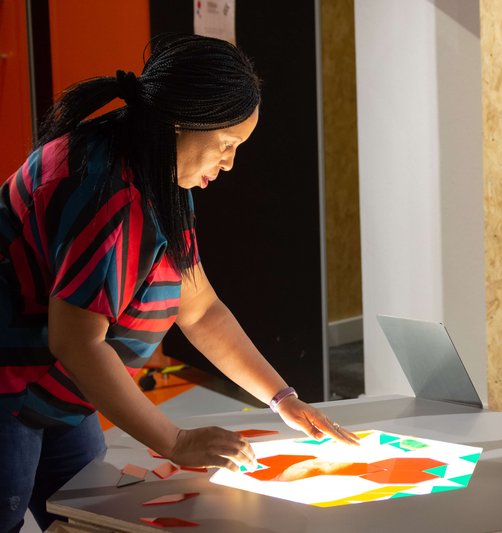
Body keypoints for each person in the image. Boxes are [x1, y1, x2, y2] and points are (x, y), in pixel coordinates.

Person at [0, 34, 358, 532]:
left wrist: (282, 398)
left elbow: (200, 309)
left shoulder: (156, 169)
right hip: (11, 389)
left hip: (63, 391)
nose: (229, 163)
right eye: (226, 145)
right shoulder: (106, 190)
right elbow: (77, 343)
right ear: (179, 124)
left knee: (87, 517)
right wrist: (174, 441)